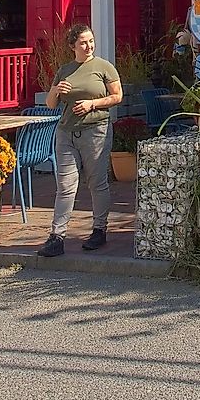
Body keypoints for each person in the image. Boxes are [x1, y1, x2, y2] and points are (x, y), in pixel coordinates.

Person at [38, 24, 123, 257]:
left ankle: (99, 229)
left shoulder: (103, 67)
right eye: (83, 42)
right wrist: (56, 90)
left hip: (95, 130)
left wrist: (92, 104)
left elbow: (117, 96)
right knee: (65, 186)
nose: (89, 46)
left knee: (97, 182)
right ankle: (57, 236)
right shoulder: (65, 69)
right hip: (66, 133)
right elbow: (50, 104)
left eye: (91, 41)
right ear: (72, 46)